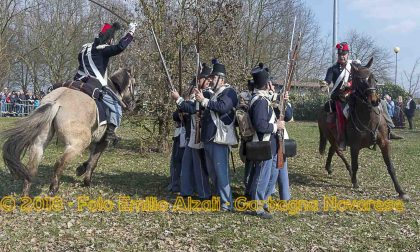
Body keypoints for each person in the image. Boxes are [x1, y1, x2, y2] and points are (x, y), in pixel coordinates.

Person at [73, 21, 137, 144]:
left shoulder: (84, 48)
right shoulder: (102, 49)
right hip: (94, 84)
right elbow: (120, 47)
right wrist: (131, 32)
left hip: (77, 81)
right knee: (116, 105)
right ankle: (110, 133)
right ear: (109, 39)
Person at [194, 60, 238, 211]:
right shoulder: (214, 94)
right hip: (209, 138)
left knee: (221, 174)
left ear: (222, 79)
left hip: (220, 139)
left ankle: (227, 204)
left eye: (214, 77)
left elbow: (223, 107)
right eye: (211, 77)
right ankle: (219, 200)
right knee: (213, 173)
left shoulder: (229, 92)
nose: (211, 80)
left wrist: (204, 101)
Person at [171, 64, 213, 200]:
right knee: (186, 165)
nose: (201, 80)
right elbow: (187, 109)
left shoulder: (207, 94)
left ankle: (204, 194)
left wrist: (179, 99)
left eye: (203, 78)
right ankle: (186, 192)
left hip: (199, 136)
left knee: (199, 168)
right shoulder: (196, 94)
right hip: (191, 134)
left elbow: (193, 109)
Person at [323, 42, 353, 151]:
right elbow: (327, 80)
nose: (342, 56)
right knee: (341, 112)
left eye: (344, 54)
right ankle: (342, 138)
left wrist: (350, 84)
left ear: (348, 54)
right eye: (340, 54)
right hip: (340, 97)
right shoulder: (333, 69)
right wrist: (324, 83)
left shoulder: (353, 67)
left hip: (353, 95)